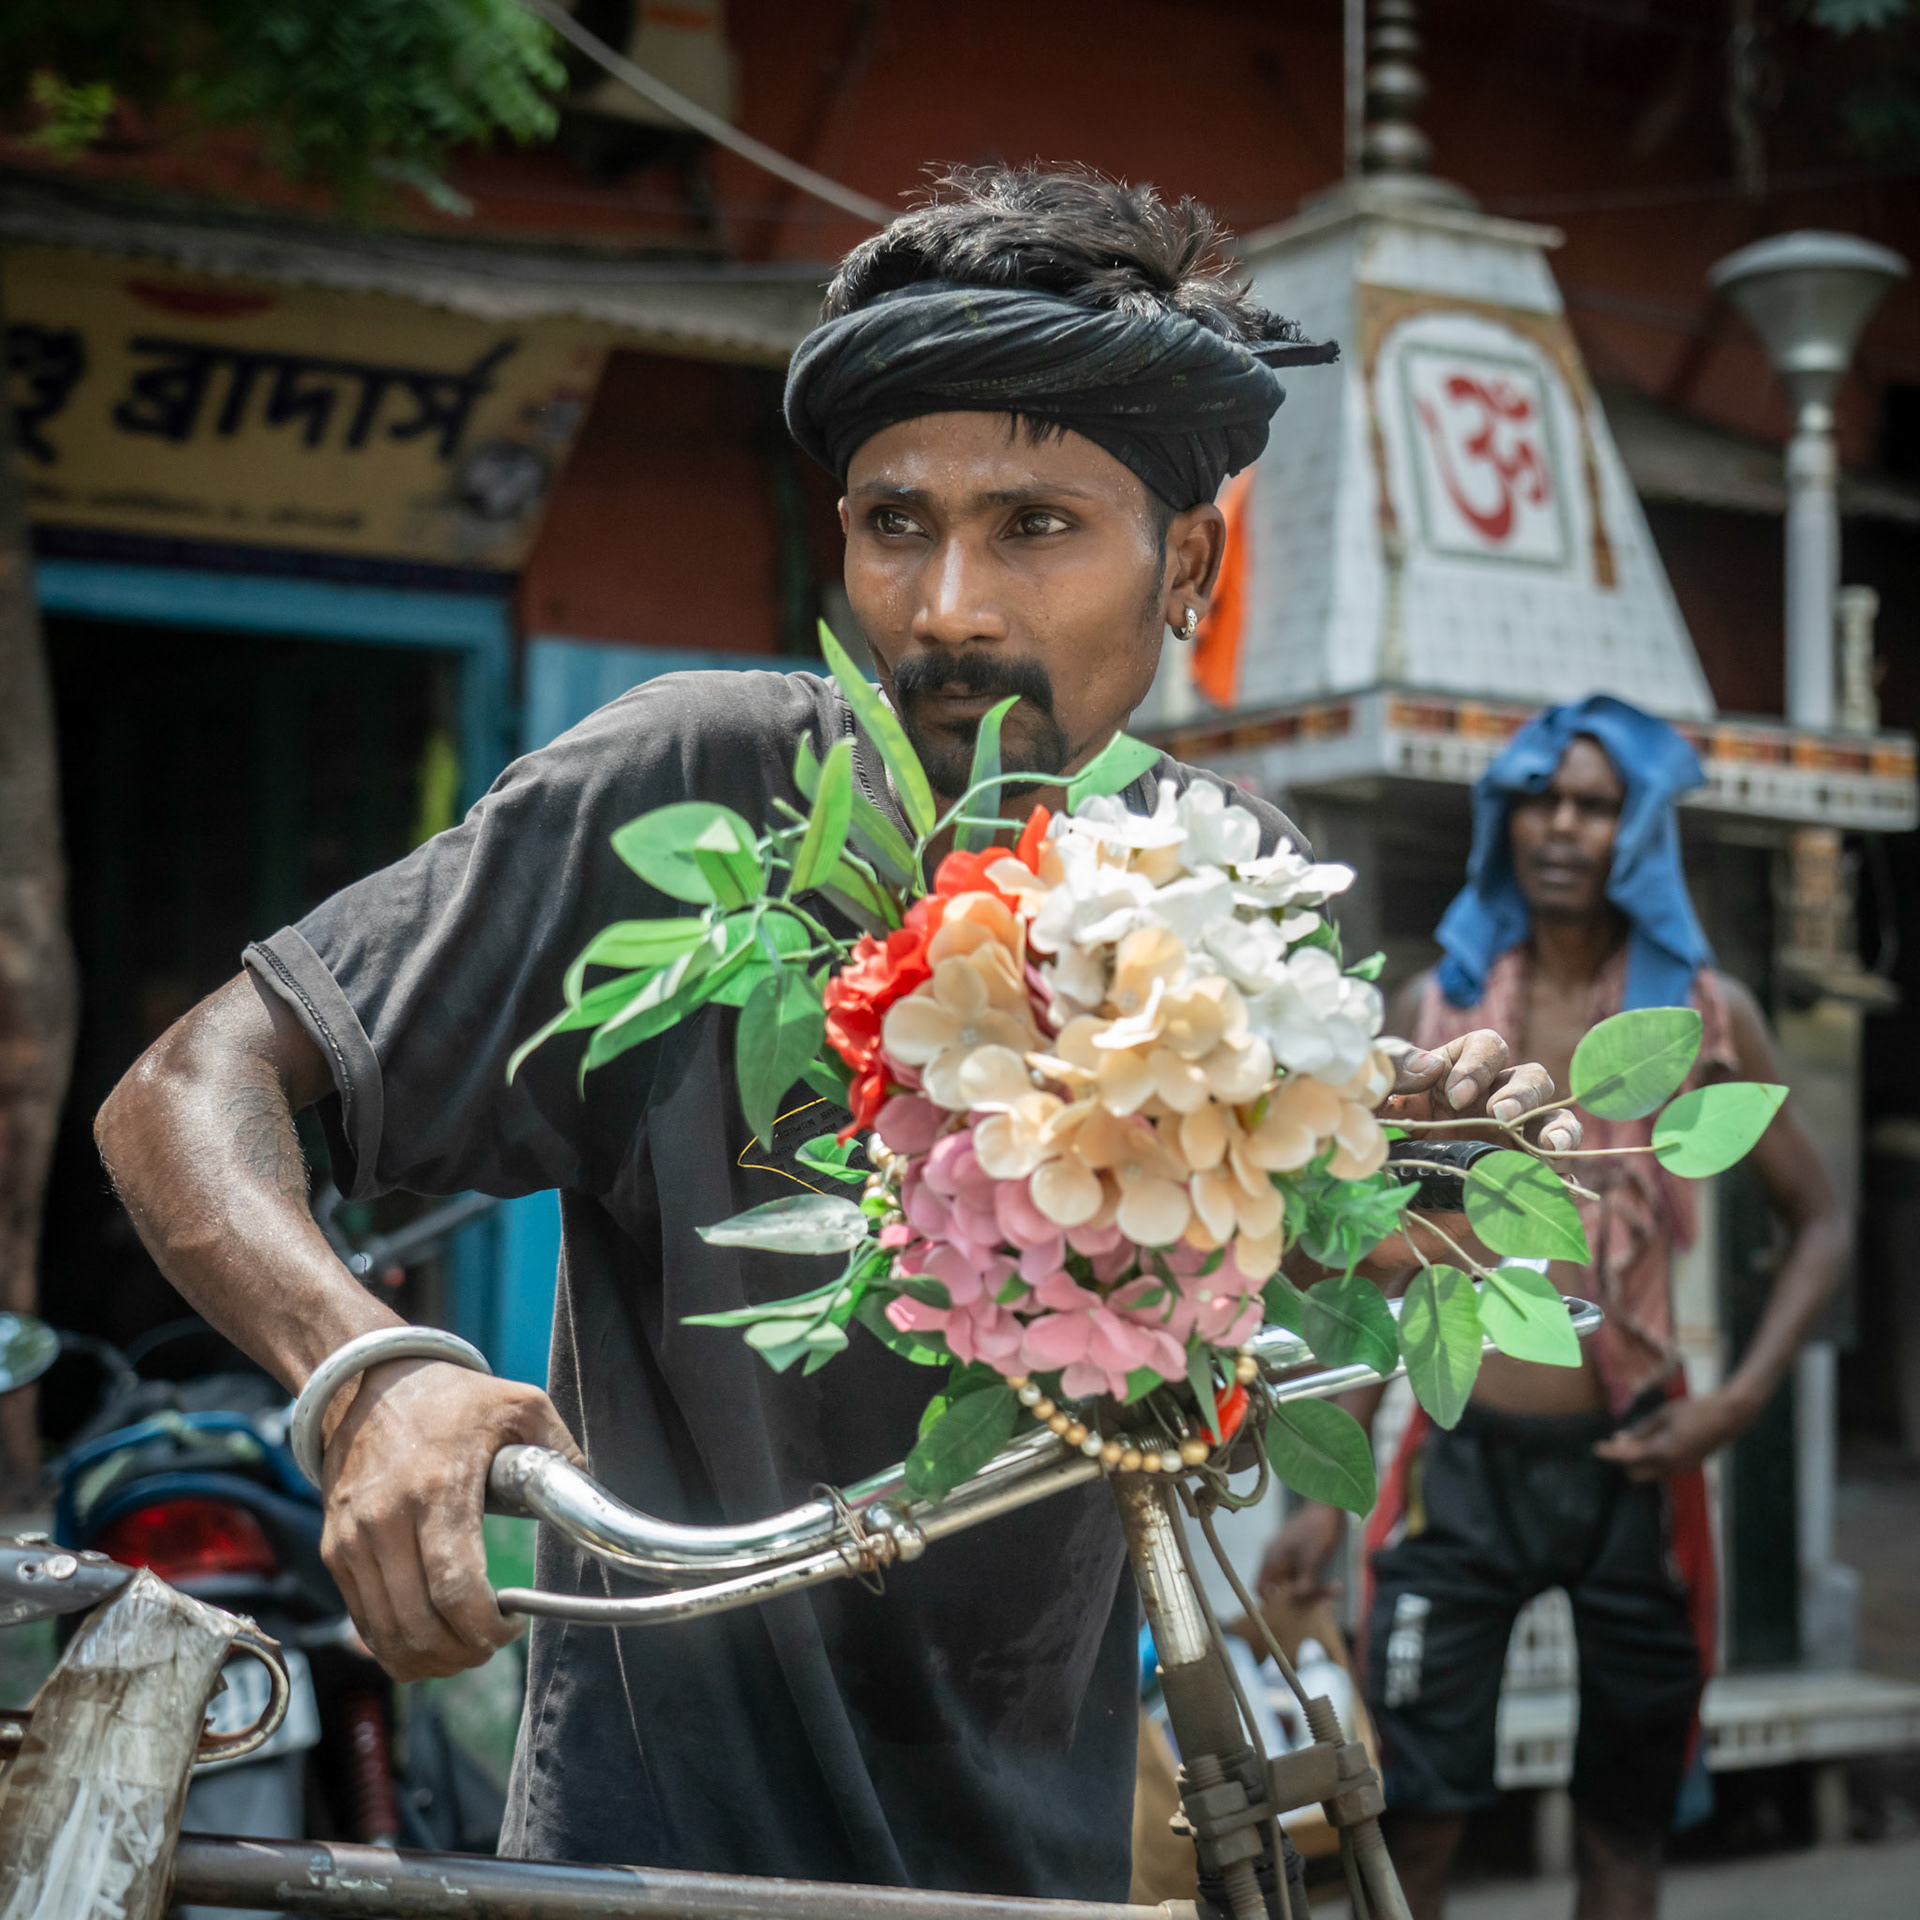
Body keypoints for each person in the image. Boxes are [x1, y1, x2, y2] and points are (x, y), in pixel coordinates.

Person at [95, 165, 1574, 1901]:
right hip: (669, 1867)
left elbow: (1223, 1323)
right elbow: (185, 1090)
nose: (948, 602)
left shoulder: (1221, 885)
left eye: (1035, 525)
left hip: (1043, 1861)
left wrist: (1396, 1183)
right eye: (896, 523)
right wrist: (373, 1377)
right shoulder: (700, 788)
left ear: (1187, 565)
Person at [1259, 696, 1851, 1920]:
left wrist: (1734, 1406)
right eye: (1541, 798)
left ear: (1636, 828)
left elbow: (1825, 1222)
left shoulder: (1700, 1019)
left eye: (1596, 802)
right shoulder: (1441, 1015)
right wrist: (1324, 1496)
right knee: (1411, 1819)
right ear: (1505, 821)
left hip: (1640, 1464)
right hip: (1456, 1462)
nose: (1565, 825)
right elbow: (1388, 1256)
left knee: (1623, 1835)